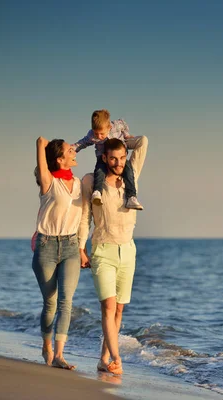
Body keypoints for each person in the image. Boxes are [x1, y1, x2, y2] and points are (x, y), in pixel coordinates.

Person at [78, 135, 149, 375]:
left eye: (122, 157)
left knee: (118, 309)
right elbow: (85, 216)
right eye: (114, 158)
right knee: (108, 307)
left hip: (128, 251)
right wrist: (80, 247)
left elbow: (144, 142)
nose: (119, 162)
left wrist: (123, 139)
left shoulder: (132, 177)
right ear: (104, 158)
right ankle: (117, 357)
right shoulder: (91, 182)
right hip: (103, 250)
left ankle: (104, 358)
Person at [32, 136, 84, 370]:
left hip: (72, 246)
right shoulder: (49, 182)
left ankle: (60, 355)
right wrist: (39, 144)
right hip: (47, 247)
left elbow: (84, 218)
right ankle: (47, 346)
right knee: (50, 302)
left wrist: (82, 248)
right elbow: (42, 161)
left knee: (66, 301)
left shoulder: (80, 184)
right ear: (59, 159)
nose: (74, 151)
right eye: (68, 150)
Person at [72, 109, 144, 210]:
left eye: (101, 133)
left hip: (118, 152)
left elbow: (123, 124)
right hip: (102, 155)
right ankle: (97, 192)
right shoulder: (92, 135)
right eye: (96, 133)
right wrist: (74, 148)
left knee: (128, 171)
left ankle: (131, 197)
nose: (99, 137)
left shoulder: (115, 125)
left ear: (109, 127)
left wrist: (126, 134)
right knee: (99, 171)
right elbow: (83, 142)